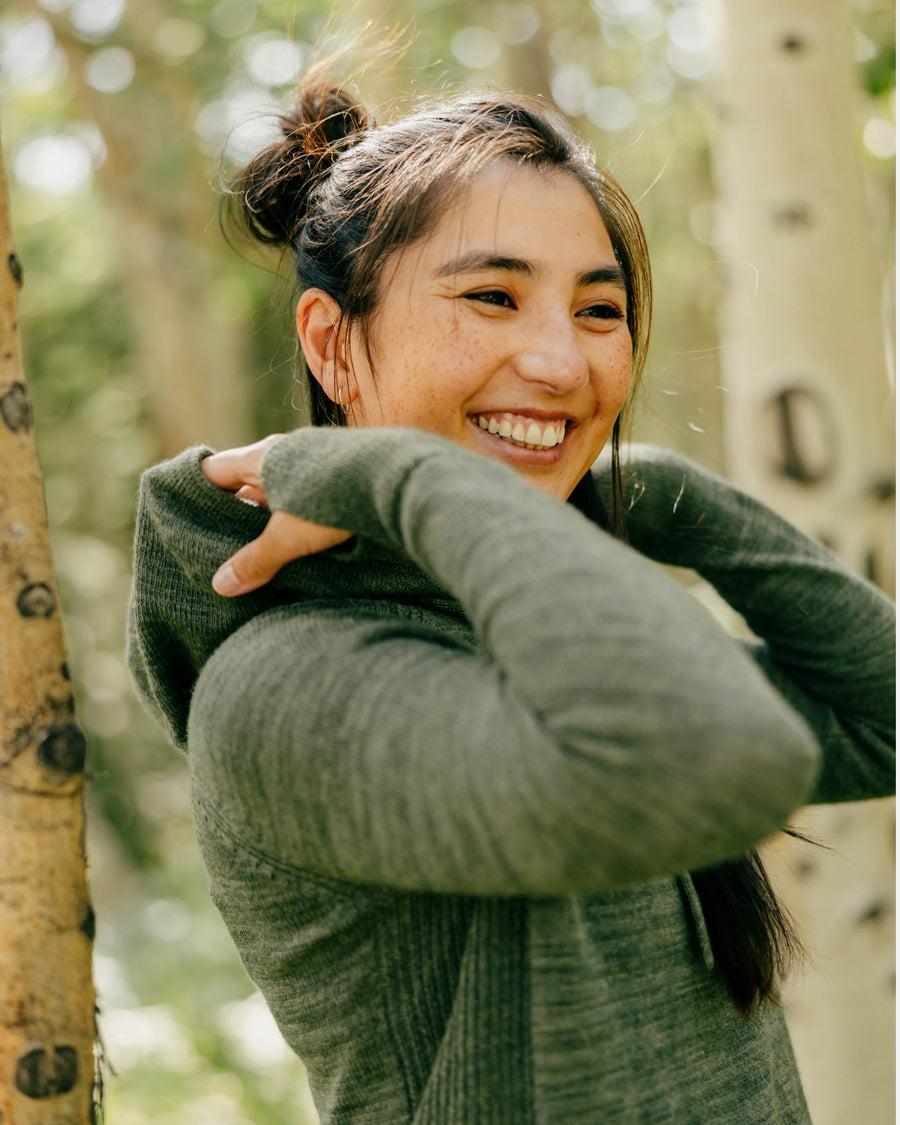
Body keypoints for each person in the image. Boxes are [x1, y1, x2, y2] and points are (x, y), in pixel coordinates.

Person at [127, 73, 894, 1124]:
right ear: (329, 342)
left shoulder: (540, 628)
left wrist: (654, 495)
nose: (561, 361)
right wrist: (397, 476)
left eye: (599, 311)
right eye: (492, 296)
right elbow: (727, 755)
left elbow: (878, 718)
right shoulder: (285, 687)